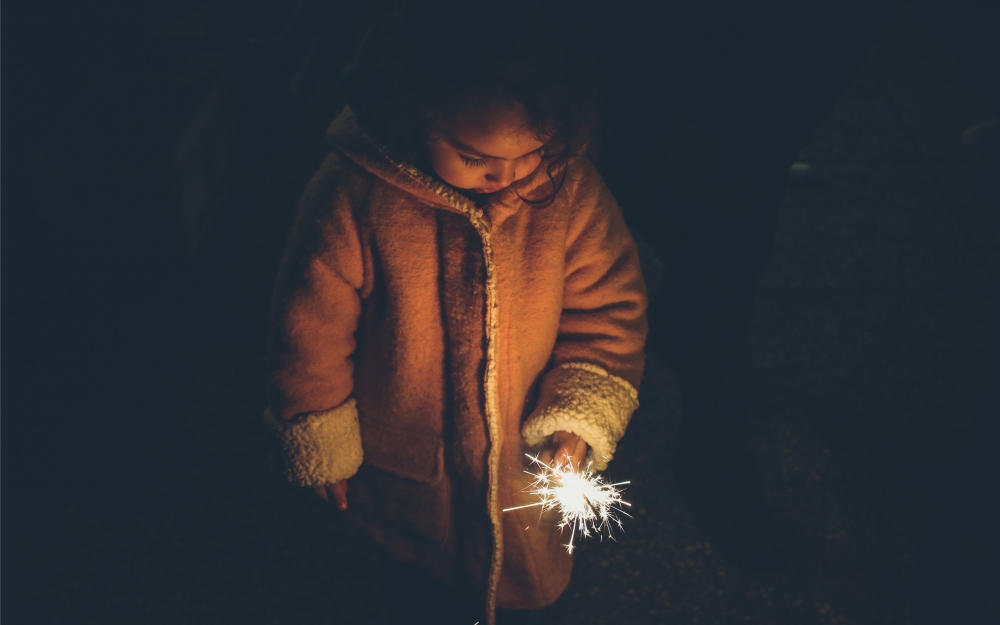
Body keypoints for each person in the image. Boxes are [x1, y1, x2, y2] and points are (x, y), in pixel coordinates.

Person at [265, 3, 648, 623]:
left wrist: (580, 413)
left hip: (522, 477)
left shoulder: (568, 192)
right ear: (421, 111)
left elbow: (608, 310)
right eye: (476, 158)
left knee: (528, 594)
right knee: (415, 592)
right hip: (411, 474)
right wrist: (318, 427)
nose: (509, 177)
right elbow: (308, 329)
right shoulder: (355, 196)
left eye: (532, 153)